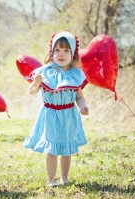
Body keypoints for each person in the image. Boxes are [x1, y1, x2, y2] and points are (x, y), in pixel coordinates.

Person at [23, 31, 89, 187]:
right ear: (52, 52)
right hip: (51, 114)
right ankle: (51, 180)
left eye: (66, 50)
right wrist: (36, 83)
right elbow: (32, 93)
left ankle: (64, 177)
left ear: (73, 54)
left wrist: (83, 106)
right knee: (52, 149)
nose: (61, 54)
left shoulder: (75, 75)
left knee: (66, 149)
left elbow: (79, 96)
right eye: (57, 50)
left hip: (69, 115)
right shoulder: (45, 72)